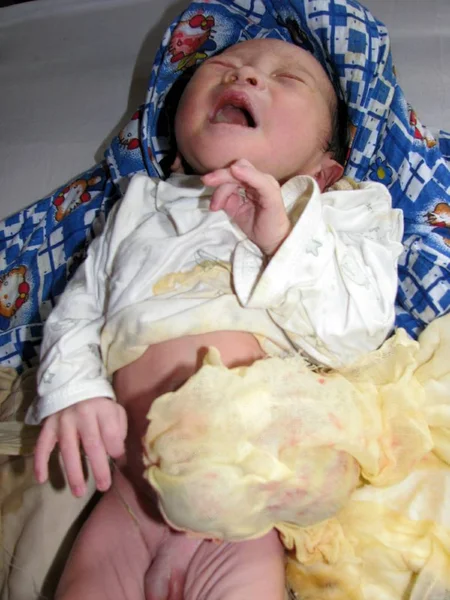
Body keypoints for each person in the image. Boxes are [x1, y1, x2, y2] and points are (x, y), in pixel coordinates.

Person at [26, 38, 403, 600]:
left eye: (288, 79)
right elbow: (77, 310)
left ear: (325, 169)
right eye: (221, 68)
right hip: (130, 494)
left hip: (246, 496)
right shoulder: (140, 206)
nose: (247, 75)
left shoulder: (334, 215)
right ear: (177, 151)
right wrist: (73, 389)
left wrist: (282, 241)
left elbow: (357, 335)